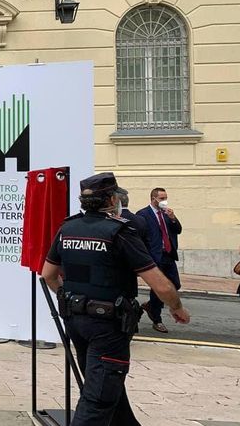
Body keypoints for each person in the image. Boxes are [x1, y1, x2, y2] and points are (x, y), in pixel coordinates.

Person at [41, 172, 190, 426]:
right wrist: (177, 307)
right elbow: (159, 284)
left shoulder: (68, 228)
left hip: (76, 321)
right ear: (112, 198)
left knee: (104, 384)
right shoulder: (119, 232)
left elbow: (48, 275)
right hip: (109, 326)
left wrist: (72, 298)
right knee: (98, 399)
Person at [136, 187, 183, 333]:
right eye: (162, 198)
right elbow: (140, 236)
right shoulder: (143, 214)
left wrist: (173, 218)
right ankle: (157, 319)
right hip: (154, 256)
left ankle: (151, 305)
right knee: (158, 287)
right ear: (153, 199)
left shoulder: (167, 214)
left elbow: (178, 230)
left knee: (175, 284)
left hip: (168, 254)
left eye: (166, 198)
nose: (164, 201)